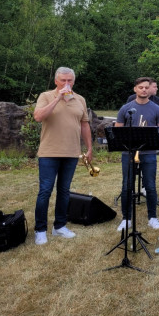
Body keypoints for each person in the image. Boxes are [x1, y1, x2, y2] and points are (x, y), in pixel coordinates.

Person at [32, 67, 93, 245]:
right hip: (49, 152)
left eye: (70, 80)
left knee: (64, 191)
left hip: (72, 152)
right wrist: (58, 98)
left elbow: (84, 125)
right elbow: (38, 117)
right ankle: (40, 229)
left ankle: (59, 226)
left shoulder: (80, 99)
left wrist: (89, 148)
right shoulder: (46, 96)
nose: (67, 83)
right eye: (63, 80)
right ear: (56, 81)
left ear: (74, 81)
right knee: (45, 191)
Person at [116, 77, 159, 231]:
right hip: (129, 152)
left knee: (150, 185)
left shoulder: (157, 109)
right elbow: (117, 130)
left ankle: (152, 217)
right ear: (135, 89)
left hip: (149, 152)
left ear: (149, 89)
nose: (144, 90)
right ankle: (126, 219)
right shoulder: (126, 108)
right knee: (127, 185)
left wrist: (151, 134)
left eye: (146, 87)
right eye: (141, 87)